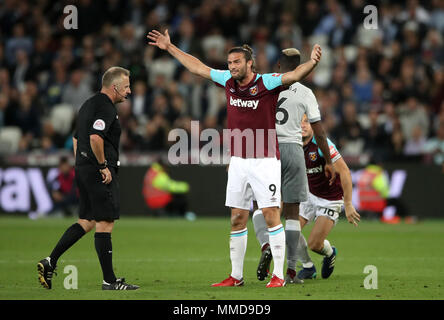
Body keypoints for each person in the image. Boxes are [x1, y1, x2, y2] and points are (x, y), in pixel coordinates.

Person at [147, 29, 322, 287]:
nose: (232, 67)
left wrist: (313, 62)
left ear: (249, 63)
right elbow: (198, 68)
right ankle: (236, 276)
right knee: (237, 217)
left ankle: (278, 276)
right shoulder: (227, 81)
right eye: (229, 63)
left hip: (265, 160)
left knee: (271, 214)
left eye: (237, 62)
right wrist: (170, 47)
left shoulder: (267, 82)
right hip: (239, 161)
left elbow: (295, 74)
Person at [37, 66, 139, 290]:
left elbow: (76, 139)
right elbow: (95, 138)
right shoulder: (106, 107)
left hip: (83, 168)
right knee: (105, 222)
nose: (129, 91)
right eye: (127, 86)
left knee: (87, 221)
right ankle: (109, 281)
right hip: (98, 171)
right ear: (115, 87)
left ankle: (49, 261)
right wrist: (102, 166)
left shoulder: (87, 105)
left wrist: (82, 164)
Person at [251, 48, 336, 285]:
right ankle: (289, 271)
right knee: (292, 212)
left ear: (278, 65)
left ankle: (266, 244)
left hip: (266, 149)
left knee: (261, 205)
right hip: (293, 149)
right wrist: (328, 161)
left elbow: (251, 121)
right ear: (300, 68)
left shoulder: (265, 84)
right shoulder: (306, 92)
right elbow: (318, 129)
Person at [254, 115, 360, 280]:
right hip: (308, 194)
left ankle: (330, 252)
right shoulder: (291, 145)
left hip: (330, 199)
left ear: (313, 125)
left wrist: (348, 204)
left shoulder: (321, 145)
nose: (302, 125)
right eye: (299, 122)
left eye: (306, 122)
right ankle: (308, 267)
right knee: (291, 231)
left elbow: (345, 171)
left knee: (314, 244)